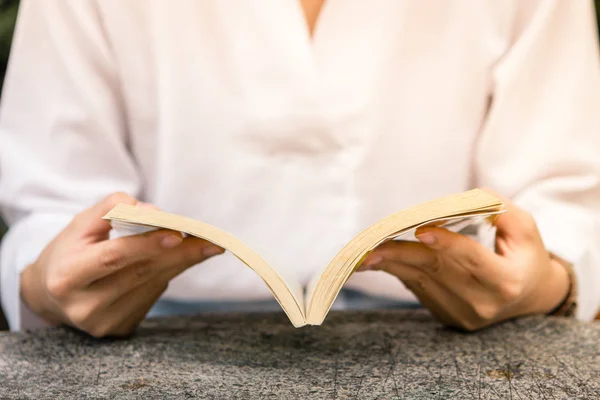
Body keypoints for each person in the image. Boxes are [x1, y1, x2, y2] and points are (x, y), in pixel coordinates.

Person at [0, 0, 599, 338]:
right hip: (158, 332)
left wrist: (548, 285)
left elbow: (569, 200)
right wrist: (47, 286)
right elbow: (48, 205)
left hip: (448, 334)